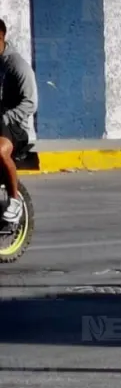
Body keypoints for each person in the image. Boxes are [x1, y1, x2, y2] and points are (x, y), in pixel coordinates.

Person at [0, 18, 37, 230]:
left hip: (15, 126)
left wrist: (6, 118)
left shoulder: (17, 65)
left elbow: (31, 102)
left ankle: (14, 202)